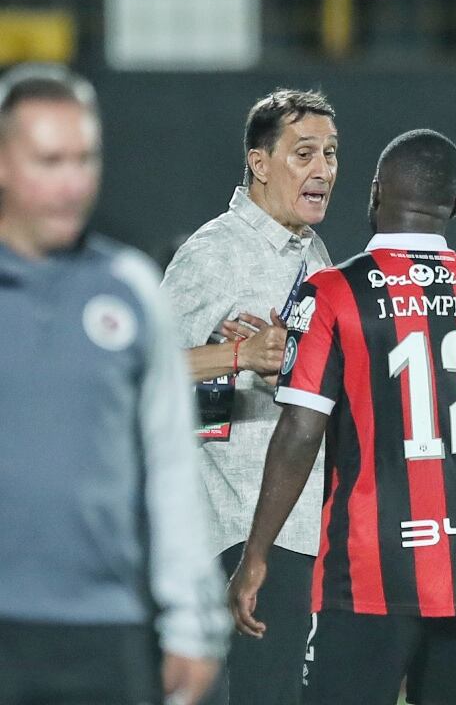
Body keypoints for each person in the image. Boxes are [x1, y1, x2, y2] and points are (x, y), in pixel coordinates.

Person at [228, 129, 456, 705]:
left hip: (371, 562)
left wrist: (255, 552)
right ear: (454, 206)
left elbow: (301, 429)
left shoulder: (333, 291)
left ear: (374, 192)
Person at [0, 64, 229, 704]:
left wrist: (190, 620)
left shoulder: (129, 291)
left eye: (85, 160)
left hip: (106, 629)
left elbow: (171, 467)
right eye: (49, 161)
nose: (72, 184)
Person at [160, 89, 338, 705]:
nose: (323, 170)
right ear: (260, 163)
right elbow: (140, 369)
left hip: (300, 521)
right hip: (237, 525)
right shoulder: (215, 253)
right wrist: (238, 355)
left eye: (332, 154)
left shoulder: (314, 254)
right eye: (305, 153)